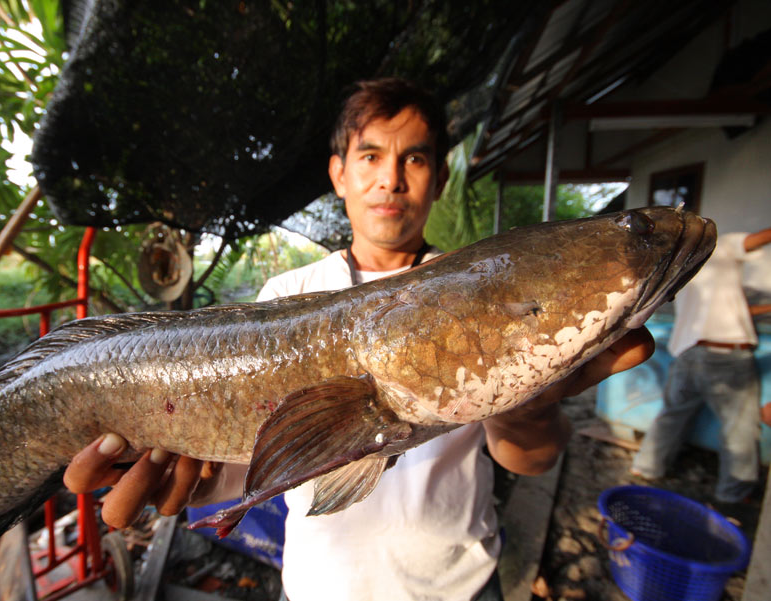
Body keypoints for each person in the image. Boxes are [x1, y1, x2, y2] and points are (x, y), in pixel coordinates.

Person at [64, 78, 654, 601]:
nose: (391, 179)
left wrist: (527, 410)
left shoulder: (484, 287)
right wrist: (188, 478)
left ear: (439, 178)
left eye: (415, 158)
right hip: (323, 586)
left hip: (463, 584)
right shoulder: (286, 293)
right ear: (338, 173)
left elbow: (532, 458)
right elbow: (256, 461)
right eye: (370, 155)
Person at [631, 227, 771, 503]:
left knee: (671, 416)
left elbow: (734, 309)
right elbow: (758, 239)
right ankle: (734, 493)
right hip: (726, 356)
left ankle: (646, 467)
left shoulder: (682, 265)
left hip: (687, 353)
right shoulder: (725, 244)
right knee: (738, 426)